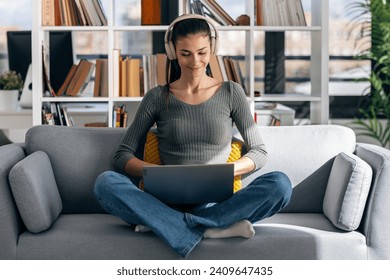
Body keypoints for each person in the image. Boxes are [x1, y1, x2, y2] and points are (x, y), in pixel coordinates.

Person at [94, 14, 292, 258]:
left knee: (280, 184)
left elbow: (259, 152)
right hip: (163, 201)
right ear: (172, 52)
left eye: (202, 52)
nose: (195, 61)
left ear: (212, 49)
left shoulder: (231, 92)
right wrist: (153, 172)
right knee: (105, 183)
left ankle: (168, 225)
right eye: (185, 53)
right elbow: (121, 155)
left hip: (217, 203)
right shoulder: (157, 97)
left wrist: (230, 170)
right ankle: (208, 227)